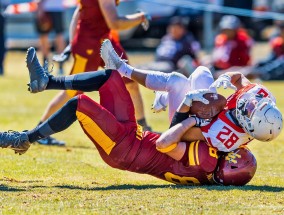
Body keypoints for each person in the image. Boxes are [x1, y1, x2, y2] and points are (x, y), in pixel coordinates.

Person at [0, 47, 220, 186]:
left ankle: (26, 139)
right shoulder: (215, 152)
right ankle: (47, 82)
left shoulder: (208, 160)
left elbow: (166, 143)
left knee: (80, 104)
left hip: (123, 149)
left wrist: (190, 114)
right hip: (134, 135)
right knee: (110, 77)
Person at [100, 39, 283, 152]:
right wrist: (227, 77)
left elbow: (182, 135)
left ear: (247, 124)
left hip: (186, 123)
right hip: (209, 113)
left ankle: (122, 69)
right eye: (255, 105)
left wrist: (190, 108)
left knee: (177, 81)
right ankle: (163, 98)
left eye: (250, 110)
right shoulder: (261, 96)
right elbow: (240, 79)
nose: (251, 103)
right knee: (202, 72)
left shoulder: (224, 136)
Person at [35, 0, 152, 146]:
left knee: (131, 81)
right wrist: (141, 17)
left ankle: (144, 129)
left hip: (106, 42)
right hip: (88, 45)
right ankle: (40, 132)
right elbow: (114, 23)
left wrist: (72, 42)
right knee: (72, 91)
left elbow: (79, 12)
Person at [34, 0, 66, 74]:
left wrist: (40, 4)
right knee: (58, 36)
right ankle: (60, 66)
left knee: (46, 37)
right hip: (57, 8)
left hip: (46, 8)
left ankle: (46, 66)